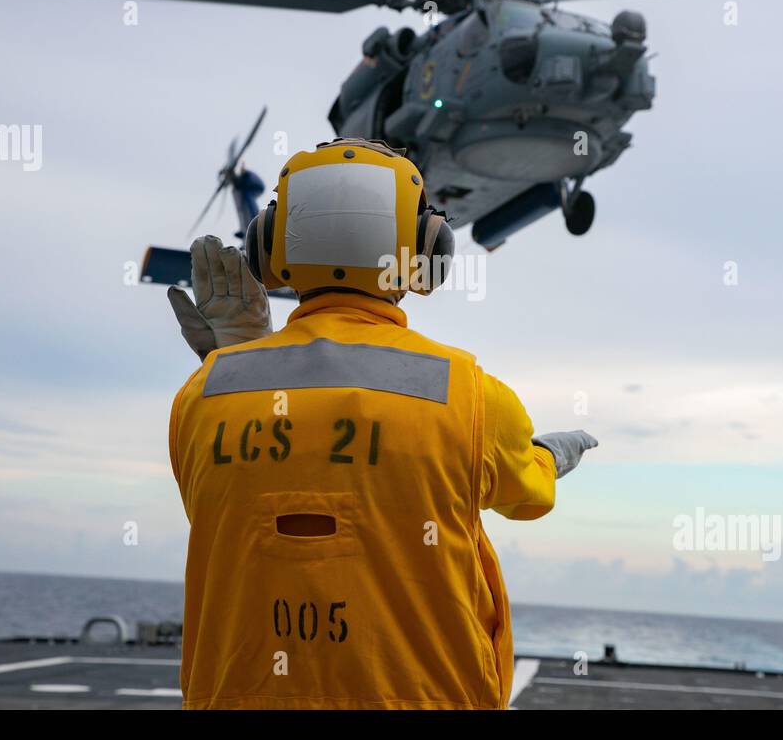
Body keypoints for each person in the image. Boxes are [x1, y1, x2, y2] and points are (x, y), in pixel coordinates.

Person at [166, 137, 597, 709]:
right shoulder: (469, 395)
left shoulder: (204, 394)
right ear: (424, 252)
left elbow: (229, 513)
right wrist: (549, 453)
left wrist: (252, 359)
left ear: (270, 247)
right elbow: (527, 496)